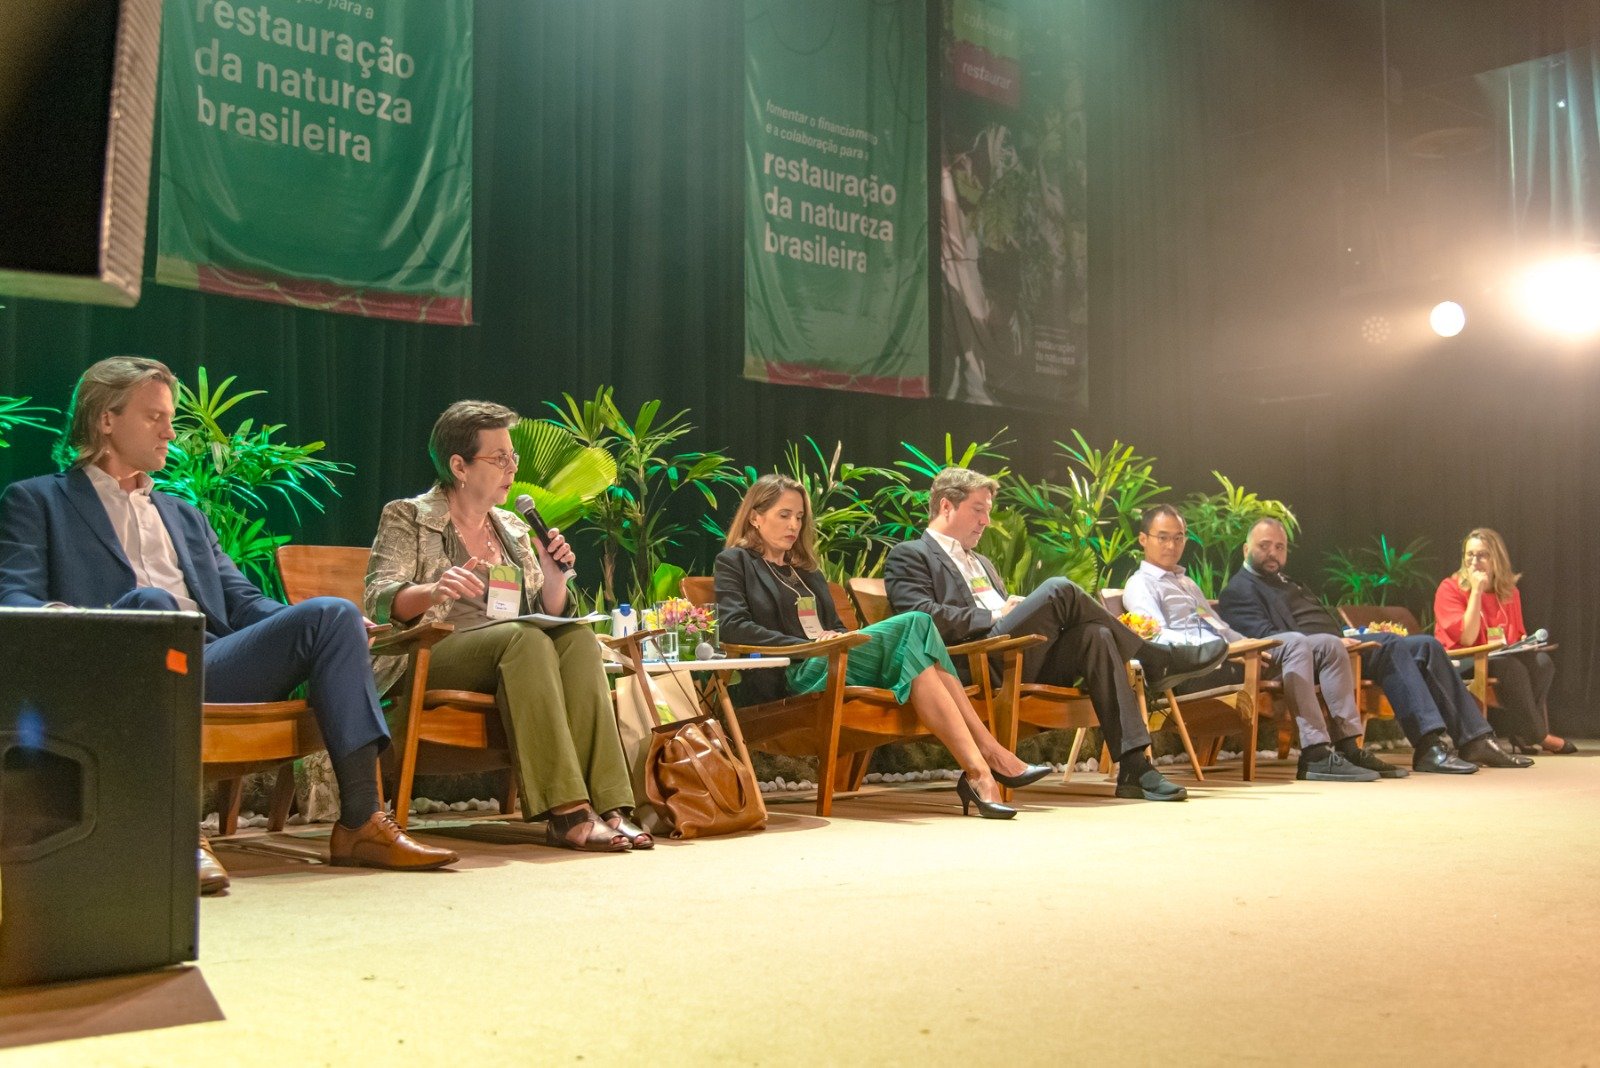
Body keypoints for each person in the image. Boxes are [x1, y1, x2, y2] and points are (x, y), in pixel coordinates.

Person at [0, 357, 457, 895]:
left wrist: (306, 621)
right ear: (105, 418)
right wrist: (100, 623)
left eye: (170, 418)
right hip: (118, 672)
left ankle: (361, 822)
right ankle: (176, 832)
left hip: (209, 662)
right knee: (153, 607)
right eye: (155, 417)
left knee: (331, 614)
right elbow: (15, 598)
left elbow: (240, 602)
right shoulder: (37, 501)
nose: (171, 431)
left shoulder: (183, 514)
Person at [366, 401, 646, 852]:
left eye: (512, 456)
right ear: (459, 465)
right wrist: (433, 590)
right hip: (429, 652)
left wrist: (555, 575)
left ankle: (612, 808)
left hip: (512, 651)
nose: (512, 467)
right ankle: (568, 813)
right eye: (499, 458)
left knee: (576, 639)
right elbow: (380, 597)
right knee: (525, 639)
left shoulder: (512, 527)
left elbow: (541, 607)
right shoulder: (408, 515)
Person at [884, 468, 1228, 803]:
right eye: (978, 510)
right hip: (975, 661)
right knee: (1059, 589)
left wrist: (1010, 607)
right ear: (946, 506)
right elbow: (919, 618)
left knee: (1096, 635)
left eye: (988, 512)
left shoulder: (983, 563)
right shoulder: (910, 555)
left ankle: (1135, 769)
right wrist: (994, 614)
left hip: (1017, 653)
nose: (986, 521)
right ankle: (1153, 659)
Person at [715, 474, 1049, 819]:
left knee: (920, 659)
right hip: (794, 672)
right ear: (755, 516)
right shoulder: (736, 563)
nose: (794, 525)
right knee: (918, 623)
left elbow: (839, 629)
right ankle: (992, 757)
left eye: (799, 517)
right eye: (784, 515)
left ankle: (981, 772)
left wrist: (834, 638)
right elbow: (734, 626)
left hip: (833, 661)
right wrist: (808, 645)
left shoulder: (808, 573)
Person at [1218, 517, 1532, 774]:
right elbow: (1271, 641)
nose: (1272, 552)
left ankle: (1476, 738)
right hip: (1317, 658)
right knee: (1392, 647)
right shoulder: (1240, 589)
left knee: (1426, 646)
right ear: (1246, 548)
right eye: (1264, 546)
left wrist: (1348, 633)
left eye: (1279, 547)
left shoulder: (1290, 583)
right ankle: (1429, 745)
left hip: (1344, 644)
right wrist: (1335, 641)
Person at [1122, 505, 1404, 781]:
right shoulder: (1141, 584)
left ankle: (1348, 746)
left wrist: (1249, 646)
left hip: (1231, 656)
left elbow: (1221, 627)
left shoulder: (1186, 584)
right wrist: (1219, 647)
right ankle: (1315, 753)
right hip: (1198, 668)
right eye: (1163, 537)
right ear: (1143, 539)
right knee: (1294, 642)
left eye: (1179, 537)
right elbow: (1156, 635)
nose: (1172, 545)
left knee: (1329, 644)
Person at [1434, 528, 1571, 755]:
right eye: (1470, 555)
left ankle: (1521, 731)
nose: (1474, 561)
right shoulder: (1449, 589)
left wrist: (1525, 642)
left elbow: (1514, 636)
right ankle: (1538, 734)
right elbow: (1467, 638)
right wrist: (1476, 592)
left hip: (1499, 657)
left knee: (1542, 662)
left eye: (1482, 555)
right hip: (1461, 659)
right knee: (1511, 668)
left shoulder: (1509, 592)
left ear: (1496, 558)